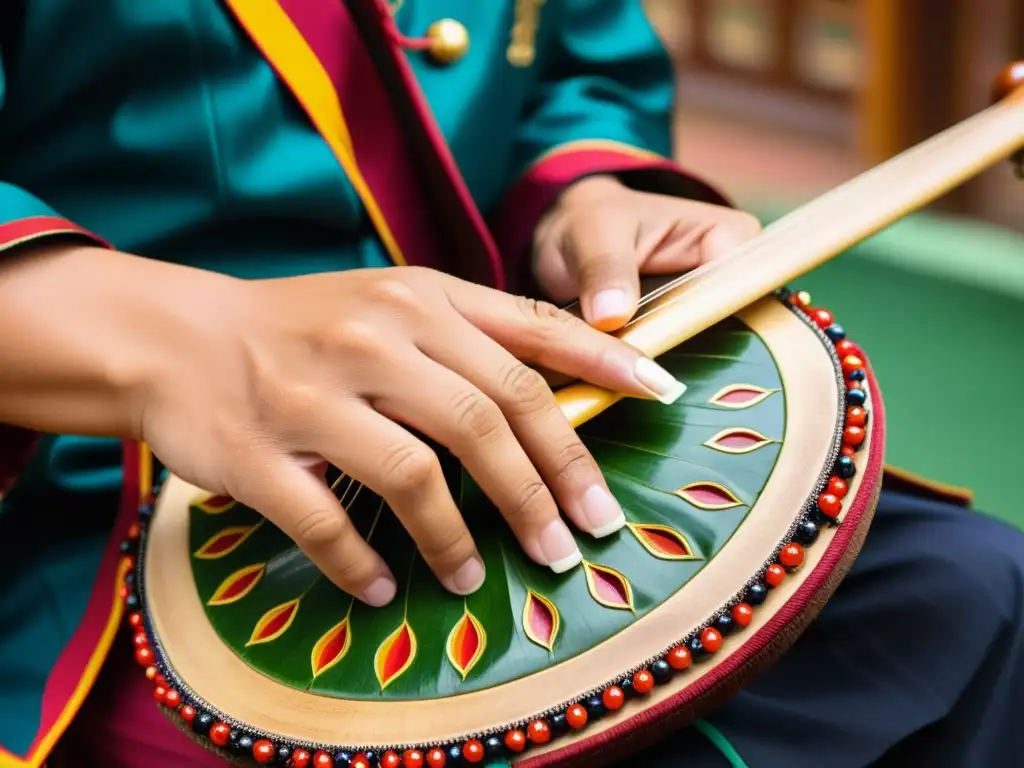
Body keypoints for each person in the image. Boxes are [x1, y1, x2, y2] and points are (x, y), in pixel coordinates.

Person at [0, 1, 1020, 767]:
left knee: (968, 597)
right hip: (109, 521)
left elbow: (566, 47)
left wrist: (580, 198)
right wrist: (174, 340)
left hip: (504, 416)